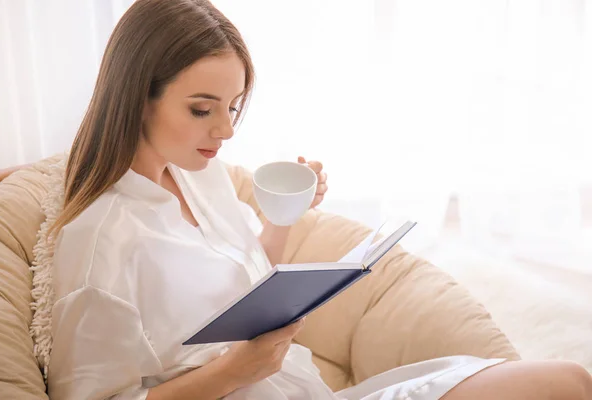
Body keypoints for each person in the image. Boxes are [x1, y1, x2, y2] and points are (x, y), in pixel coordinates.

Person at [47, 0, 592, 399]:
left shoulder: (198, 176)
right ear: (138, 96)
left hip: (300, 391)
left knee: (568, 381)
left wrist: (284, 219)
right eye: (201, 109)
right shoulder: (101, 241)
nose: (226, 130)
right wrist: (234, 372)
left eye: (233, 107)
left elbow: (248, 289)